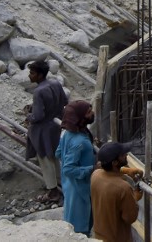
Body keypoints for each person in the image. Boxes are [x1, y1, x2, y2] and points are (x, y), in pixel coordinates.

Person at [25, 60, 68, 203]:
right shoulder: (55, 83)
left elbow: (38, 116)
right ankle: (63, 184)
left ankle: (53, 191)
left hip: (43, 130)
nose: (29, 76)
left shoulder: (38, 91)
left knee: (45, 159)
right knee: (55, 157)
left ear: (40, 75)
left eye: (32, 73)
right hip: (55, 126)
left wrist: (28, 115)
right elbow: (64, 102)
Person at [56, 100, 97, 234]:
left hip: (70, 185)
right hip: (80, 188)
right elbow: (68, 169)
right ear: (79, 117)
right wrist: (91, 168)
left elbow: (58, 153)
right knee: (80, 227)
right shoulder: (79, 141)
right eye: (88, 112)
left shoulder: (67, 134)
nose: (92, 114)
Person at [91, 142, 142, 242]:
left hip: (99, 235)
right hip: (117, 238)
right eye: (123, 155)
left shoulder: (95, 175)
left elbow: (104, 171)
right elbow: (130, 218)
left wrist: (125, 171)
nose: (126, 155)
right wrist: (135, 198)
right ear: (114, 162)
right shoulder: (123, 188)